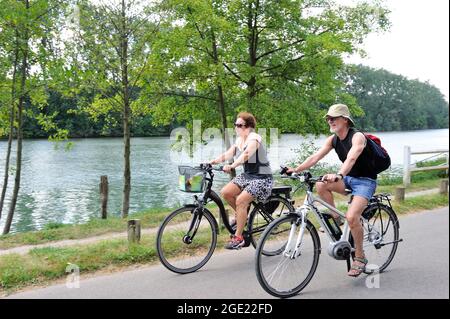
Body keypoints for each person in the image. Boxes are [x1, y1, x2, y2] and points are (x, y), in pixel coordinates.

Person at [286, 104, 377, 277]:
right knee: (321, 184)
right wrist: (296, 170)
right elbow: (315, 157)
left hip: (365, 181)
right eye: (328, 118)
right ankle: (336, 218)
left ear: (345, 119)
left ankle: (360, 256)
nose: (330, 120)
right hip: (349, 179)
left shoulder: (357, 137)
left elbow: (352, 157)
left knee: (352, 217)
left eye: (333, 118)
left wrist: (339, 174)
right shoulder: (333, 139)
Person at [210, 112, 273, 250]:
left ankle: (239, 237)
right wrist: (212, 162)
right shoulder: (239, 141)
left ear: (249, 126)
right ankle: (242, 216)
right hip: (248, 175)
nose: (236, 128)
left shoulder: (254, 138)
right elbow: (228, 154)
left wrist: (232, 166)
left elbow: (246, 154)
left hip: (262, 177)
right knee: (226, 192)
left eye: (239, 125)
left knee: (240, 201)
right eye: (235, 125)